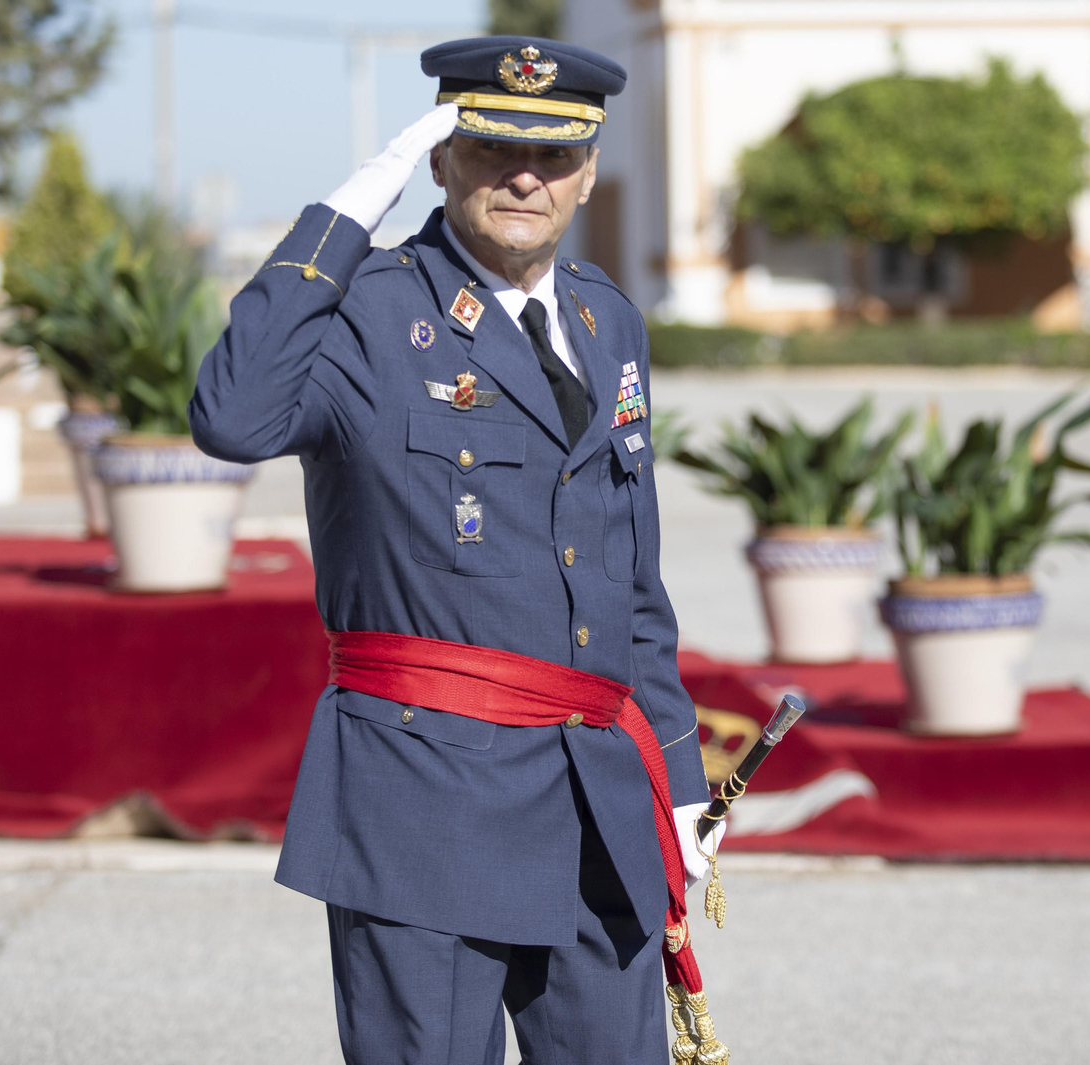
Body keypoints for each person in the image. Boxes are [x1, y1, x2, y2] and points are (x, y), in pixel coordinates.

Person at [190, 36, 723, 1065]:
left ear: (589, 170)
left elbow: (630, 578)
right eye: (488, 149)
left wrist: (680, 774)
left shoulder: (607, 320)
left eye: (555, 157)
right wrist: (352, 204)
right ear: (438, 158)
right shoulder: (371, 313)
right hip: (426, 807)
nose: (525, 176)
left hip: (598, 799)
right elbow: (232, 418)